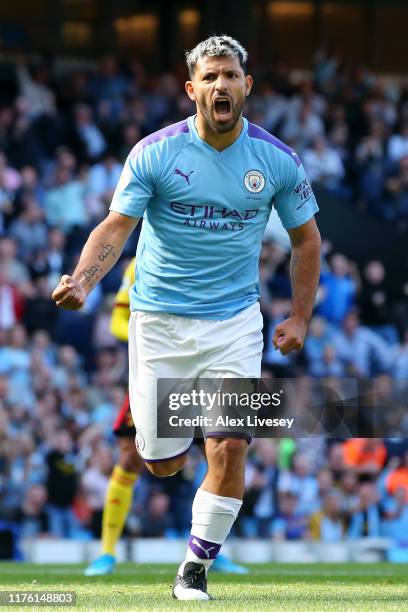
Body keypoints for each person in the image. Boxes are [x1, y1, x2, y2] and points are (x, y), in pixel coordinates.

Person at [52, 35, 321, 601]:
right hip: (159, 321)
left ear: (247, 86)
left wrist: (299, 317)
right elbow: (116, 228)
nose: (221, 85)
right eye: (211, 76)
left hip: (234, 322)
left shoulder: (276, 160)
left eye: (231, 75)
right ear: (192, 88)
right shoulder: (154, 152)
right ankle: (176, 456)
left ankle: (195, 567)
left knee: (229, 445)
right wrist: (81, 280)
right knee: (163, 464)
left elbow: (307, 241)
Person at [84, 258, 246, 575]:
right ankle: (107, 552)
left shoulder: (212, 256)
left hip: (201, 372)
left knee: (220, 455)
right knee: (130, 459)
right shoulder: (139, 264)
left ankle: (208, 547)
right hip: (156, 371)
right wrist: (149, 337)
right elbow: (117, 321)